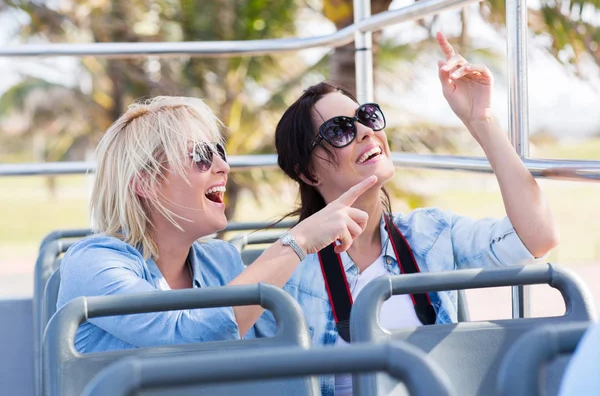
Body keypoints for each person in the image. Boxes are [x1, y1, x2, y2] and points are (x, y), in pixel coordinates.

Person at [267, 32, 560, 395]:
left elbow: (538, 237)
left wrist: (480, 120)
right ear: (309, 173)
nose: (364, 131)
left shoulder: (430, 233)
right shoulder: (287, 269)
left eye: (366, 116)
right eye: (339, 130)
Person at [56, 95, 378, 353]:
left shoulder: (219, 260)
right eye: (201, 156)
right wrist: (297, 240)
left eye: (220, 152)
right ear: (147, 182)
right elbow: (185, 336)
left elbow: (275, 347)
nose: (223, 166)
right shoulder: (94, 262)